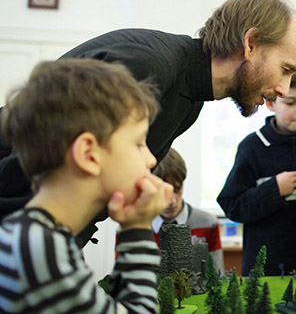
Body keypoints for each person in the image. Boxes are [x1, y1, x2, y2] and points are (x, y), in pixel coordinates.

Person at [0, 0, 296, 246]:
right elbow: (32, 174)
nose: (284, 89)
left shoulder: (191, 102)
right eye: (285, 69)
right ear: (251, 43)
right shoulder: (150, 67)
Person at [0, 59, 173, 313]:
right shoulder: (38, 248)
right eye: (138, 143)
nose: (151, 159)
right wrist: (137, 228)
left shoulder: (42, 236)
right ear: (89, 154)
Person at [217, 65, 296, 276]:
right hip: (265, 269)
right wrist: (273, 190)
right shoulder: (252, 147)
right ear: (270, 103)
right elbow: (231, 204)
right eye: (290, 102)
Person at [150, 148, 224, 273]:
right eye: (163, 192)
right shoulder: (132, 228)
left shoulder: (207, 223)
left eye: (177, 189)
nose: (172, 201)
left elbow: (218, 275)